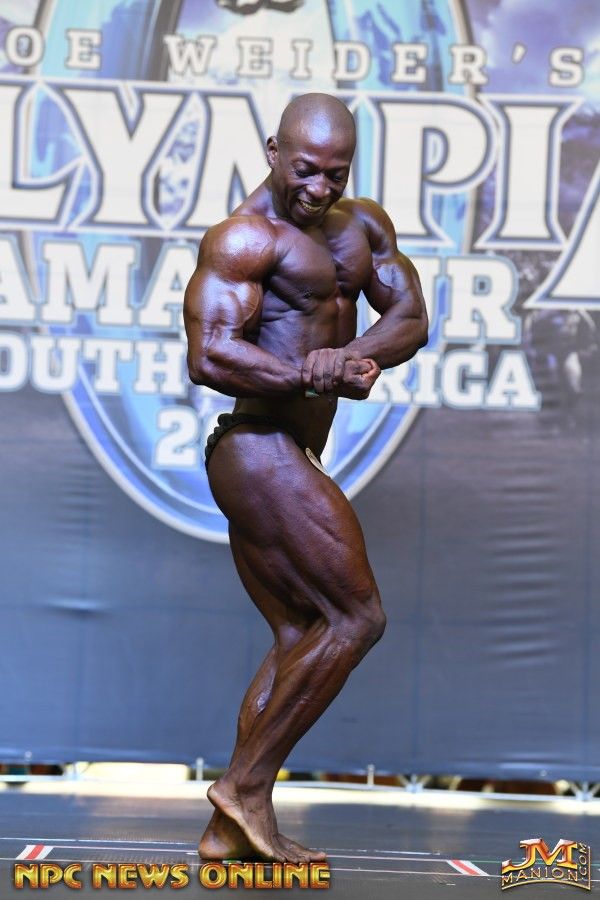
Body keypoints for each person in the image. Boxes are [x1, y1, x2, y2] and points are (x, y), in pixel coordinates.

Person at [183, 93, 428, 863]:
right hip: (255, 446)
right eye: (305, 170)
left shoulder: (363, 227)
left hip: (289, 449)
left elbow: (410, 317)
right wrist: (308, 375)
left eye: (335, 173)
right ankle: (244, 788)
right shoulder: (243, 238)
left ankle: (229, 828)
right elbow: (209, 355)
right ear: (272, 151)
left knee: (301, 633)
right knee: (357, 618)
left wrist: (353, 358)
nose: (319, 188)